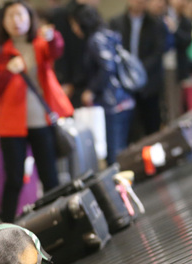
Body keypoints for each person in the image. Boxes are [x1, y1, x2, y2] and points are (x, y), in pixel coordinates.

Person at [0, 0, 73, 222]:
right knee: (13, 179)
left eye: (20, 15)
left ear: (30, 18)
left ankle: (57, 221)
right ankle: (5, 227)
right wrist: (6, 72)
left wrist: (54, 37)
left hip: (41, 121)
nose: (16, 21)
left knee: (49, 177)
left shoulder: (40, 44)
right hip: (11, 125)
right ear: (2, 22)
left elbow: (57, 51)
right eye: (10, 16)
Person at [73, 5, 136, 166]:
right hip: (124, 98)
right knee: (120, 147)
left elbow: (107, 67)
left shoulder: (95, 40)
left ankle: (118, 187)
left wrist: (91, 90)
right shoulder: (109, 34)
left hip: (111, 101)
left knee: (114, 152)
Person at [110, 0, 166, 142]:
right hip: (125, 85)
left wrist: (138, 70)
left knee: (152, 127)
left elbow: (158, 52)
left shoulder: (156, 24)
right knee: (130, 132)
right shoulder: (116, 23)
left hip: (148, 83)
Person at [49, 0, 101, 108]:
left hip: (90, 81)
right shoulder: (63, 14)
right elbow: (61, 50)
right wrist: (65, 80)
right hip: (73, 81)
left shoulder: (91, 12)